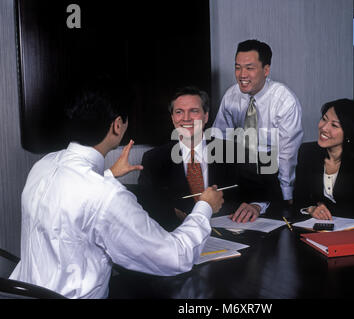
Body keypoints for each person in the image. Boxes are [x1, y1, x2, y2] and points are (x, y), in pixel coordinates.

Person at [9, 79, 224, 299]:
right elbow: (176, 257)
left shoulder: (44, 165)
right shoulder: (107, 195)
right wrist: (205, 206)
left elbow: (74, 204)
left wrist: (108, 175)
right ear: (117, 125)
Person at [138, 86, 270, 229]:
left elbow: (264, 192)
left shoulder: (234, 151)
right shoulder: (153, 159)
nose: (186, 118)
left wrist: (256, 206)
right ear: (173, 118)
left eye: (194, 111)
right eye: (179, 112)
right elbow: (145, 207)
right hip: (178, 239)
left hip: (230, 236)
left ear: (206, 116)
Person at [212, 39, 303, 208]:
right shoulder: (231, 95)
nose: (242, 75)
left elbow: (287, 153)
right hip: (240, 168)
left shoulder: (284, 99)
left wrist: (286, 194)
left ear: (266, 70)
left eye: (249, 68)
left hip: (271, 171)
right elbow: (220, 138)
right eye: (237, 67)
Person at [293, 99, 354, 223]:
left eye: (334, 125)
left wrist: (324, 206)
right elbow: (299, 199)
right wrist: (310, 209)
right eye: (324, 119)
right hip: (317, 230)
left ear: (350, 133)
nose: (324, 127)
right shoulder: (308, 152)